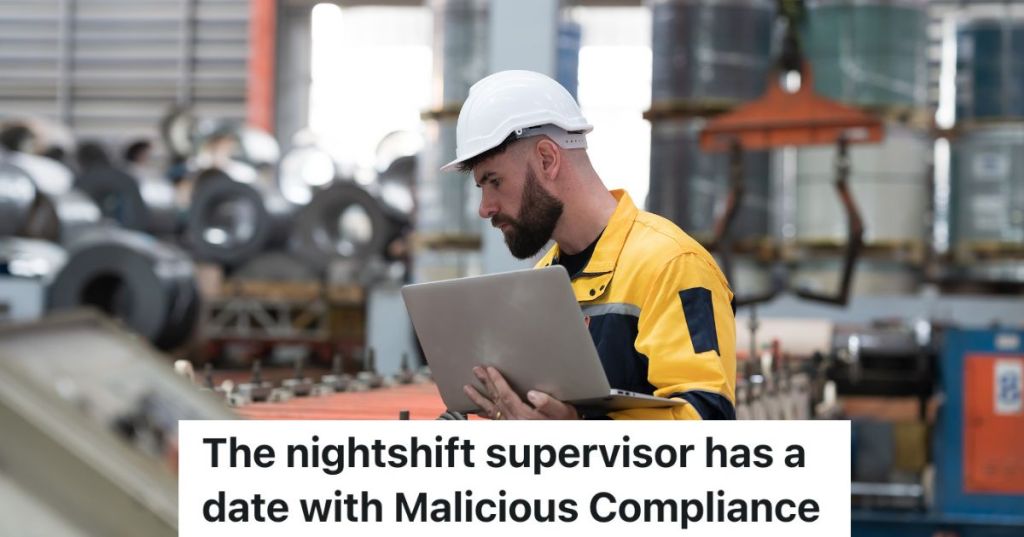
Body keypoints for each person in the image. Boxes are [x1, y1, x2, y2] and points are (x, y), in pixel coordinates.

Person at [444, 70, 736, 421]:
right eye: (482, 187)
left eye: (495, 181)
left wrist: (579, 436)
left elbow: (709, 422)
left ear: (547, 159)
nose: (485, 208)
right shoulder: (542, 282)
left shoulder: (671, 265)